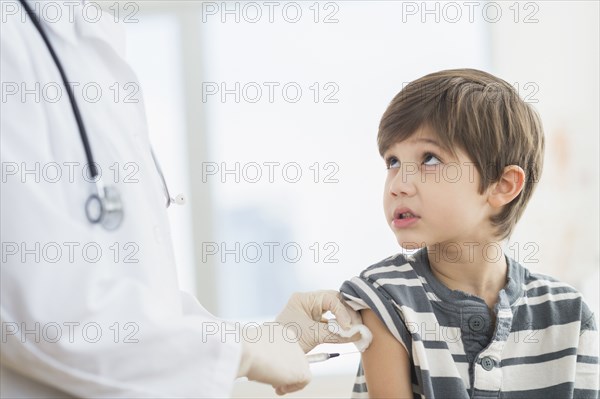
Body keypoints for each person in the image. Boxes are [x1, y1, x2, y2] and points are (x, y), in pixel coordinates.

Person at [0, 1, 361, 397]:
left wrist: (264, 337)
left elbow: (134, 294)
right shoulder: (14, 40)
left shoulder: (98, 52)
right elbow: (38, 309)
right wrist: (239, 350)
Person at [339, 69, 599, 398]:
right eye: (392, 161)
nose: (398, 186)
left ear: (502, 186)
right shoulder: (386, 296)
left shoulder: (569, 314)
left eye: (429, 159)